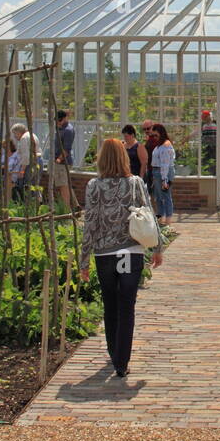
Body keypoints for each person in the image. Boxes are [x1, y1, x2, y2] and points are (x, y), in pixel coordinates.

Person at [77, 138, 164, 379]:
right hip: (130, 251)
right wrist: (157, 247)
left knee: (110, 304)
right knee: (127, 305)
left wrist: (83, 259)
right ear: (125, 158)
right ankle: (121, 361)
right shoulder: (135, 183)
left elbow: (90, 224)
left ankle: (114, 351)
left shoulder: (94, 185)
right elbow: (148, 213)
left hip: (105, 253)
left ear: (101, 159)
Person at [148, 123, 175, 225]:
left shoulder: (165, 146)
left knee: (166, 196)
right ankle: (160, 217)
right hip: (158, 172)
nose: (154, 138)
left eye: (156, 135)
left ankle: (168, 219)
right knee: (158, 196)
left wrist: (164, 179)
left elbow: (165, 164)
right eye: (152, 136)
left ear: (161, 133)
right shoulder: (160, 145)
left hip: (163, 172)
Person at [52, 109, 75, 210]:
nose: (58, 122)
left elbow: (66, 149)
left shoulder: (68, 130)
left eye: (60, 120)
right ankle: (73, 205)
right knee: (62, 185)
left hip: (62, 162)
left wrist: (58, 159)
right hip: (57, 160)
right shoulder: (59, 128)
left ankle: (66, 208)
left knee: (63, 185)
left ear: (65, 118)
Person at [200, 109, 217, 176]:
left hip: (213, 146)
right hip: (207, 146)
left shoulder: (215, 124)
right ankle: (208, 174)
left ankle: (212, 174)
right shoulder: (203, 125)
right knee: (207, 161)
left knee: (212, 160)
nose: (204, 119)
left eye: (205, 117)